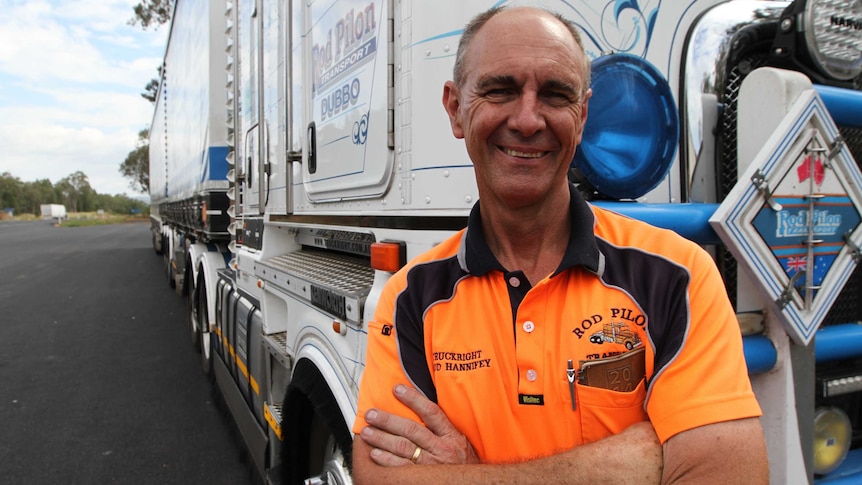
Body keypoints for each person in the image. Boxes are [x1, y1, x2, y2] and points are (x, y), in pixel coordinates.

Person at [351, 5, 768, 484]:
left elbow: (729, 473)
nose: (528, 120)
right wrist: (623, 463)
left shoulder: (676, 274)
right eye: (500, 89)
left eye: (555, 94)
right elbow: (377, 477)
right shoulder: (410, 297)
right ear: (455, 109)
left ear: (583, 114)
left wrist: (468, 474)